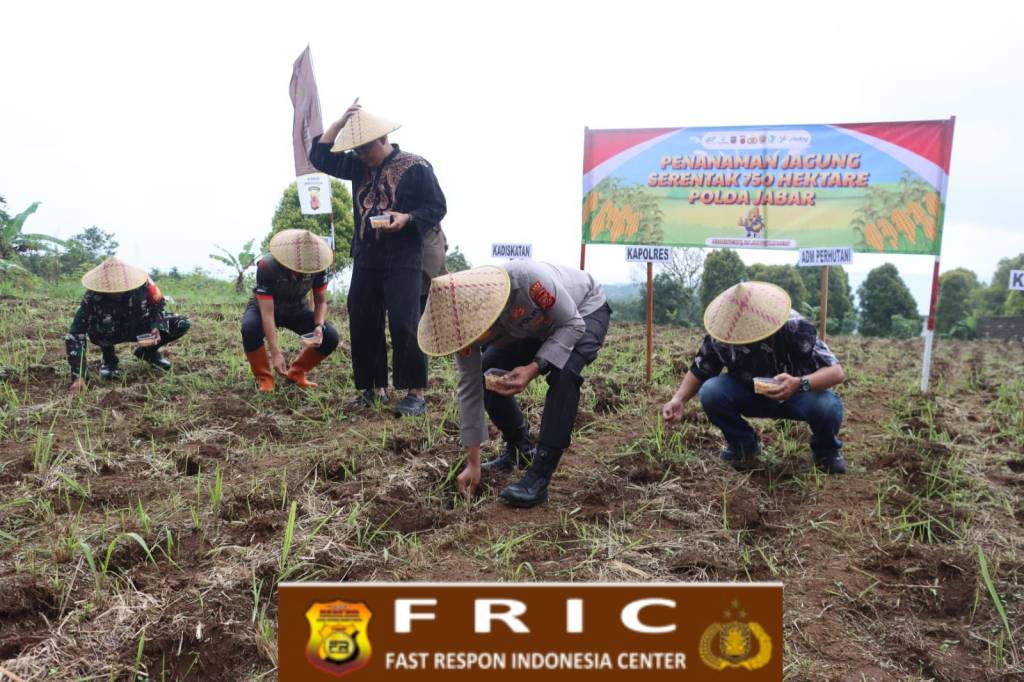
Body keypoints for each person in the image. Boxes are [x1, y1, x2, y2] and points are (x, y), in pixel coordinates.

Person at [418, 262, 610, 508]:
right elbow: (470, 387)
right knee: (486, 375)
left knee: (565, 373)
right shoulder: (461, 326)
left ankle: (539, 474)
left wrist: (534, 368)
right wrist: (473, 464)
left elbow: (572, 324)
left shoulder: (529, 281)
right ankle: (519, 447)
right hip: (533, 328)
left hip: (582, 311)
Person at [310, 99, 446, 416]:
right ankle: (373, 388)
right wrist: (341, 121)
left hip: (404, 255)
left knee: (404, 321)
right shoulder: (359, 166)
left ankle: (415, 391)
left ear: (383, 140)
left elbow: (437, 206)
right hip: (366, 255)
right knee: (363, 319)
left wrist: (407, 219)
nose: (361, 156)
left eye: (366, 149)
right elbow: (319, 155)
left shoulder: (416, 166)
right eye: (356, 151)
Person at [661, 281, 847, 474]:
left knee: (826, 405)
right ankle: (743, 445)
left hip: (797, 393)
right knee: (711, 391)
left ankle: (826, 452)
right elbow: (701, 368)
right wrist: (678, 400)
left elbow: (836, 372)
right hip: (748, 391)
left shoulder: (794, 327)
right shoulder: (721, 334)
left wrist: (799, 384)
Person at [65, 257, 190, 394]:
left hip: (139, 326)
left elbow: (158, 304)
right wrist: (79, 377)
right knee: (97, 327)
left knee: (181, 323)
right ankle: (109, 360)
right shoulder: (91, 297)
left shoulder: (145, 285)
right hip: (108, 332)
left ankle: (148, 353)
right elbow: (76, 334)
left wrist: (156, 326)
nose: (115, 291)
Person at [241, 229, 340, 392]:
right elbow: (267, 313)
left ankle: (296, 373)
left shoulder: (319, 266)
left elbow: (321, 301)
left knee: (330, 336)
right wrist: (276, 352)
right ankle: (264, 378)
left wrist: (318, 326)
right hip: (264, 309)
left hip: (297, 309)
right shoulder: (267, 266)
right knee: (250, 328)